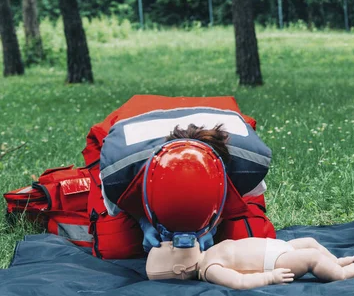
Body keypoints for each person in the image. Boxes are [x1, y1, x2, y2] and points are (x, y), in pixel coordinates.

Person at [83, 95, 276, 259]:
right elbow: (126, 203)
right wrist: (142, 221)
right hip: (132, 120)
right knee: (114, 247)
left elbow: (243, 198)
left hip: (218, 115)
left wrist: (216, 222)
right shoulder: (118, 171)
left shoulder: (248, 161)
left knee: (252, 238)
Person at [145, 237, 354, 289]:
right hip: (274, 261)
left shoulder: (207, 251)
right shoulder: (209, 270)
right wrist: (270, 277)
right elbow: (239, 281)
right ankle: (341, 274)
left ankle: (334, 261)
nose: (175, 241)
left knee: (309, 242)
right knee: (311, 258)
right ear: (179, 269)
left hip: (277, 246)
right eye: (172, 247)